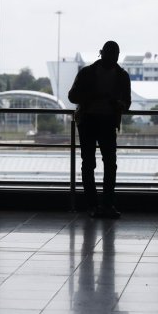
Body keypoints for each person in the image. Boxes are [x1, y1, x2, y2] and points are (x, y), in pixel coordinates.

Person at [68, 41, 131, 219]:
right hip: (105, 121)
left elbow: (73, 96)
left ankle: (94, 206)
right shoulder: (122, 75)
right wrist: (116, 103)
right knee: (107, 164)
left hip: (89, 120)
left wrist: (92, 98)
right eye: (111, 55)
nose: (112, 59)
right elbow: (127, 103)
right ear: (103, 54)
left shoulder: (87, 73)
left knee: (90, 164)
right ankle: (106, 205)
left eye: (114, 55)